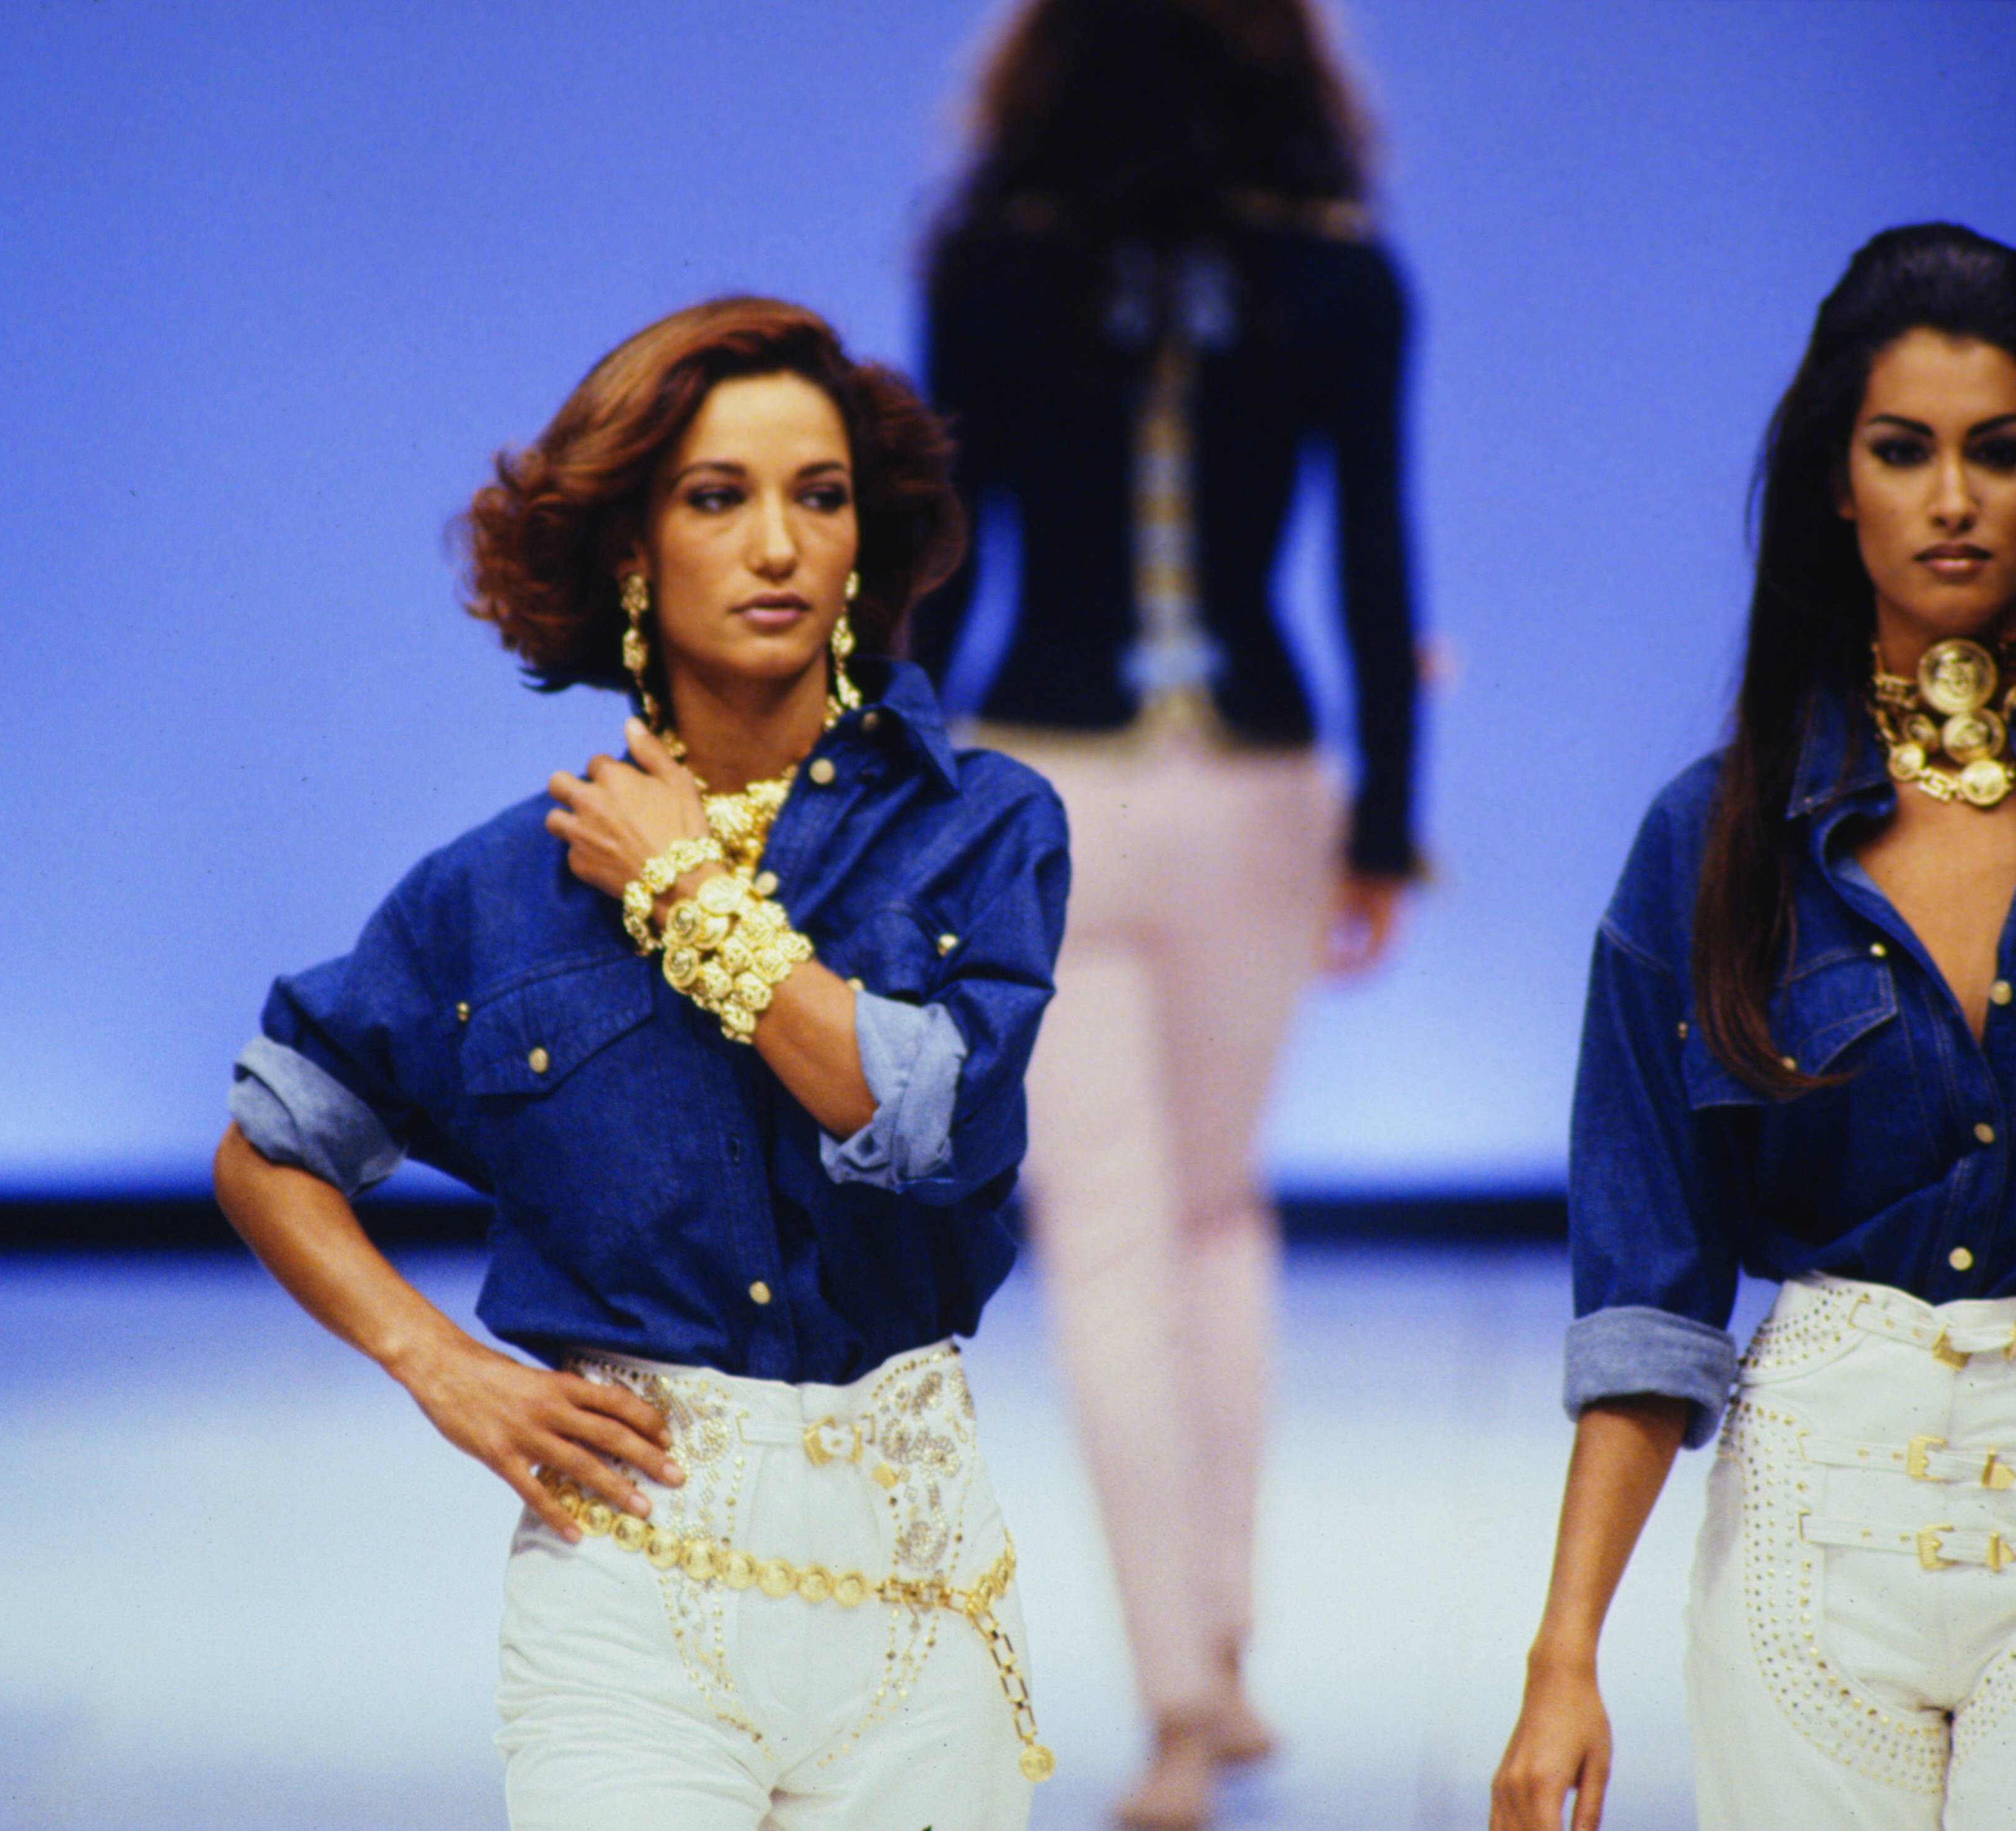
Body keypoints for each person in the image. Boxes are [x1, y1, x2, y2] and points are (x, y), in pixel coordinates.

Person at [212, 296, 1071, 1830]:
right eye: (716, 498)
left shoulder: (979, 828)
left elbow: (916, 1119)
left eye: (820, 496)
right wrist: (441, 1367)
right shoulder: (498, 890)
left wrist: (686, 894)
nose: (778, 546)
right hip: (627, 1584)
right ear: (629, 549)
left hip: (916, 1577)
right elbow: (271, 1146)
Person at [1493, 223, 2016, 1831]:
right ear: (1837, 479)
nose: (1951, 498)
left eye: (1998, 450)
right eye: (1903, 451)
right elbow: (1647, 1285)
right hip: (1814, 1534)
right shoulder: (1713, 842)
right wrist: (1563, 1655)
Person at [917, 2, 1423, 1822]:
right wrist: (1392, 825)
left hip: (1040, 779)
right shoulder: (1338, 276)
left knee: (1113, 1238)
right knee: (1214, 1215)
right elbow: (1374, 566)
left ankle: (1179, 1702)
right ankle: (1221, 1651)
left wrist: (891, 801)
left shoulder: (989, 259)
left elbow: (942, 565)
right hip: (1254, 785)